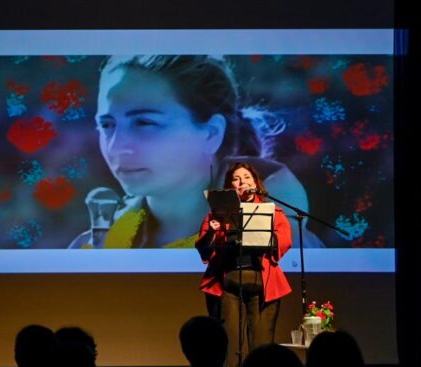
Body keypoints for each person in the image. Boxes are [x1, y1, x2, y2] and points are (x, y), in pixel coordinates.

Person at [69, 55, 322, 249]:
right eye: (107, 125)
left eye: (144, 123)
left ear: (211, 133)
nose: (115, 147)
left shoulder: (288, 250)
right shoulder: (92, 249)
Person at [195, 162, 292, 367]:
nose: (242, 183)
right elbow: (203, 249)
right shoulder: (216, 215)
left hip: (262, 281)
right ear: (230, 186)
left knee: (262, 343)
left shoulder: (273, 212)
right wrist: (213, 232)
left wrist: (266, 235)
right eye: (236, 179)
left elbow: (285, 240)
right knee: (230, 344)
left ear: (255, 182)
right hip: (227, 281)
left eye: (247, 178)